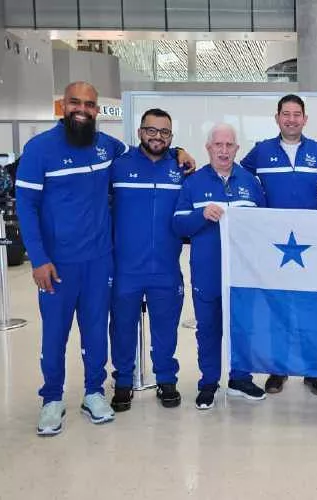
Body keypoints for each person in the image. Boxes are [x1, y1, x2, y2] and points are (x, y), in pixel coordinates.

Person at [16, 82, 194, 436]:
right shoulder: (38, 150)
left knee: (97, 332)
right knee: (55, 333)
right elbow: (26, 207)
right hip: (57, 264)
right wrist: (37, 258)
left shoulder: (106, 147)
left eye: (89, 104)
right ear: (62, 105)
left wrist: (181, 150)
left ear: (97, 110)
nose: (82, 109)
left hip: (100, 261)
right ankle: (52, 398)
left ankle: (94, 392)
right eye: (75, 102)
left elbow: (146, 150)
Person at [240, 94, 317, 396]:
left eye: (297, 114)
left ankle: (312, 371)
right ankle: (277, 370)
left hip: (311, 245)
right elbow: (235, 176)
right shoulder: (261, 152)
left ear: (305, 119)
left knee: (310, 308)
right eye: (286, 114)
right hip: (273, 245)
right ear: (277, 117)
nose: (291, 119)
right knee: (276, 306)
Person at [173, 123, 267, 410]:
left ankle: (240, 378)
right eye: (218, 145)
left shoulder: (251, 182)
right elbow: (178, 224)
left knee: (242, 328)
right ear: (208, 148)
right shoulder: (192, 183)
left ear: (237, 149)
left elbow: (263, 225)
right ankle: (209, 382)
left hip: (242, 274)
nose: (224, 151)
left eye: (229, 146)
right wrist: (202, 215)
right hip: (207, 272)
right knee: (209, 329)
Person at [109, 108, 186, 412]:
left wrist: (181, 153)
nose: (157, 137)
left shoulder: (181, 169)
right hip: (125, 267)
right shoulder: (118, 167)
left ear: (171, 137)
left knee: (165, 328)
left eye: (164, 132)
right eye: (151, 130)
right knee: (122, 327)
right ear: (140, 132)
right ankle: (124, 381)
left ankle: (166, 379)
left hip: (166, 267)